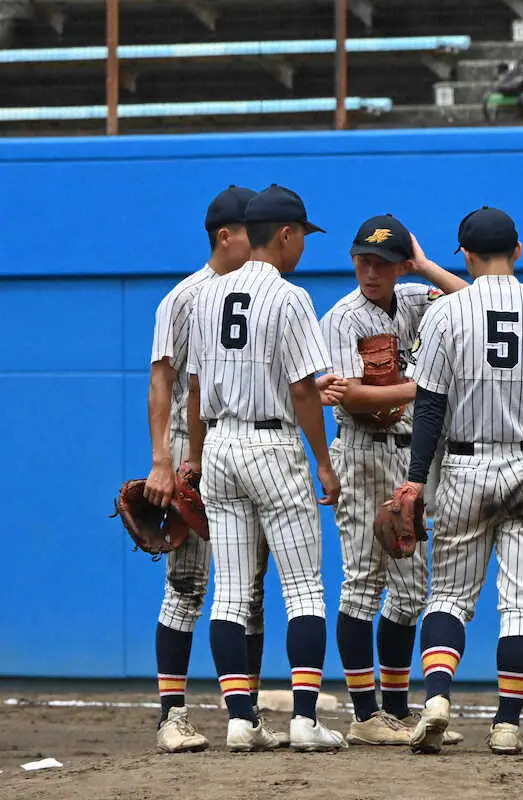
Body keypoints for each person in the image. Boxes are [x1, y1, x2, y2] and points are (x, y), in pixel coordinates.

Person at [399, 207, 523, 756]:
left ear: (464, 255)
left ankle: (438, 696)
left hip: (466, 466)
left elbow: (429, 408)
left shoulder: (445, 314)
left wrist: (416, 481)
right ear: (518, 250)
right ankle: (507, 724)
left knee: (450, 597)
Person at [186, 184, 345, 753]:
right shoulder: (289, 297)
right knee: (303, 589)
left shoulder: (206, 296)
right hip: (272, 446)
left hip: (221, 445)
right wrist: (324, 463)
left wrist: (196, 458)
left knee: (229, 591)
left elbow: (196, 388)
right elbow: (304, 391)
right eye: (302, 234)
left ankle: (238, 720)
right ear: (284, 234)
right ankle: (304, 720)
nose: (303, 244)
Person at [319, 214, 467, 746]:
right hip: (362, 453)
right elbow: (352, 396)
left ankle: (397, 711)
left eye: (381, 261)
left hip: (410, 461)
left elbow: (472, 298)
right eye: (361, 259)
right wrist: (423, 390)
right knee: (363, 582)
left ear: (399, 265)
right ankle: (364, 716)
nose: (369, 270)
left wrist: (425, 265)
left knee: (409, 591)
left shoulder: (413, 298)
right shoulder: (342, 317)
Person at [145, 185, 281, 753]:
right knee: (188, 583)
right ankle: (172, 716)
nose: (259, 238)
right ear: (225, 235)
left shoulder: (262, 292)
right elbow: (163, 381)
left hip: (240, 444)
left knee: (249, 588)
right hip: (188, 449)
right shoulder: (184, 298)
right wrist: (162, 461)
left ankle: (245, 714)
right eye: (250, 229)